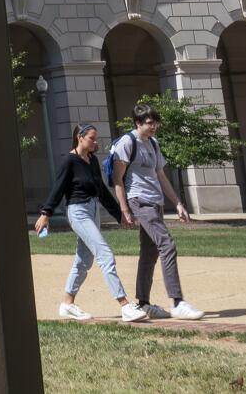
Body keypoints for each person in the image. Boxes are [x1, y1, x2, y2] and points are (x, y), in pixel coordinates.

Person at [33, 123, 147, 322]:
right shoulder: (69, 161)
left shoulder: (92, 161)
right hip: (78, 212)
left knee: (83, 260)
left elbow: (101, 191)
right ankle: (125, 305)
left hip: (93, 211)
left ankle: (67, 303)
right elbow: (58, 188)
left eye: (96, 139)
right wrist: (46, 213)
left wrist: (119, 214)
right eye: (92, 139)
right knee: (105, 254)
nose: (96, 142)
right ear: (80, 137)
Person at [111, 102, 205, 320]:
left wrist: (178, 203)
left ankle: (143, 303)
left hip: (156, 202)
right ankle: (178, 301)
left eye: (156, 123)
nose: (154, 127)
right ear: (138, 123)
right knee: (167, 245)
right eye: (149, 123)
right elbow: (118, 179)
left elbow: (160, 175)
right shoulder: (127, 142)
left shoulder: (153, 143)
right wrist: (125, 209)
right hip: (139, 201)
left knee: (149, 253)